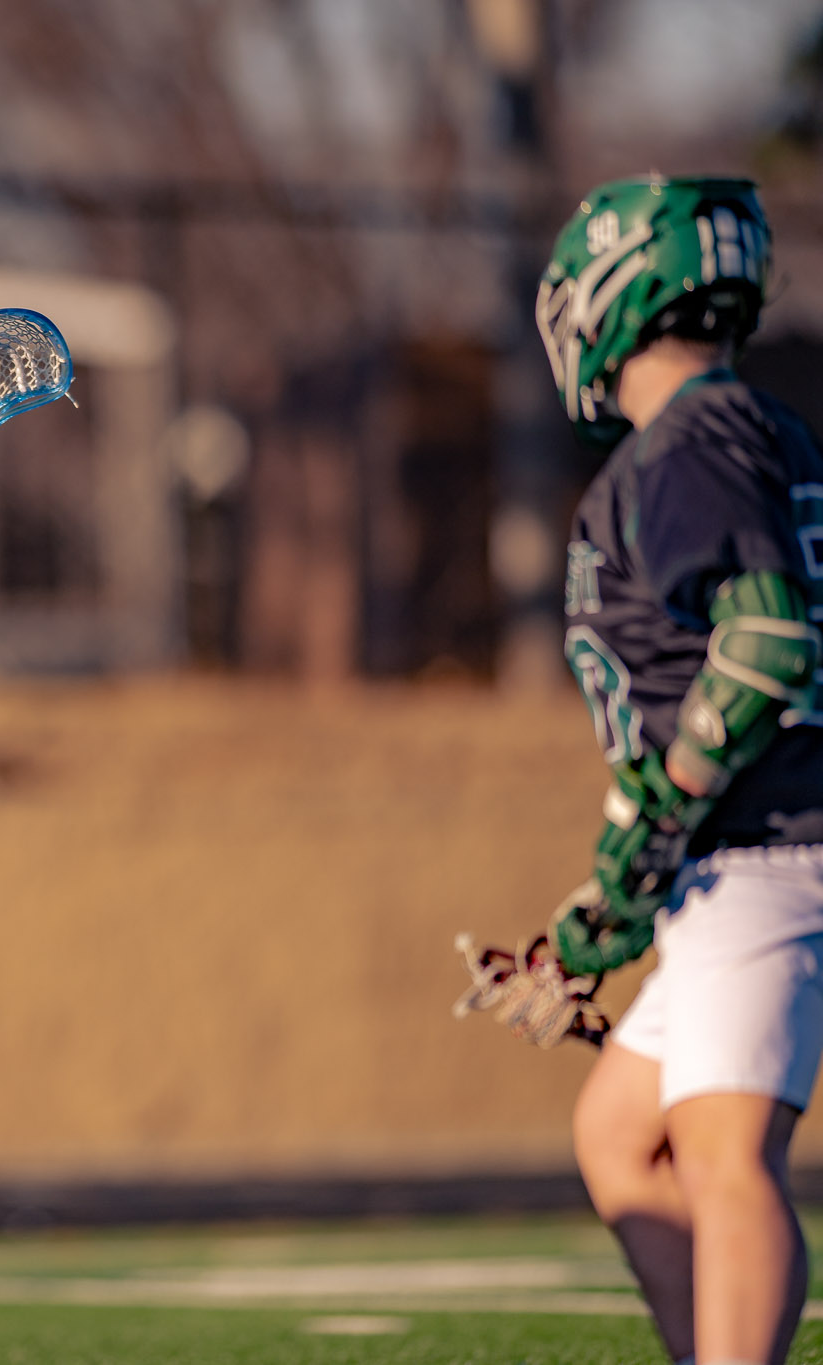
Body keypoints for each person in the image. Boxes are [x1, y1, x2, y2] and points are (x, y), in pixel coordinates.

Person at [511, 177, 823, 1365]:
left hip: (767, 845)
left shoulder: (692, 441)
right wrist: (607, 900)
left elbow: (760, 647)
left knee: (719, 1149)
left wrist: (653, 819)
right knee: (618, 1133)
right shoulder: (742, 430)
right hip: (727, 856)